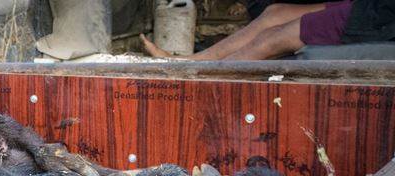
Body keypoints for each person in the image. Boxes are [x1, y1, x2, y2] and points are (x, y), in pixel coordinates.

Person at [141, 0, 395, 60]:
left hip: (384, 17)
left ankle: (203, 78)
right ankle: (190, 62)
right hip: (372, 3)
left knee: (275, 37)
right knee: (275, 12)